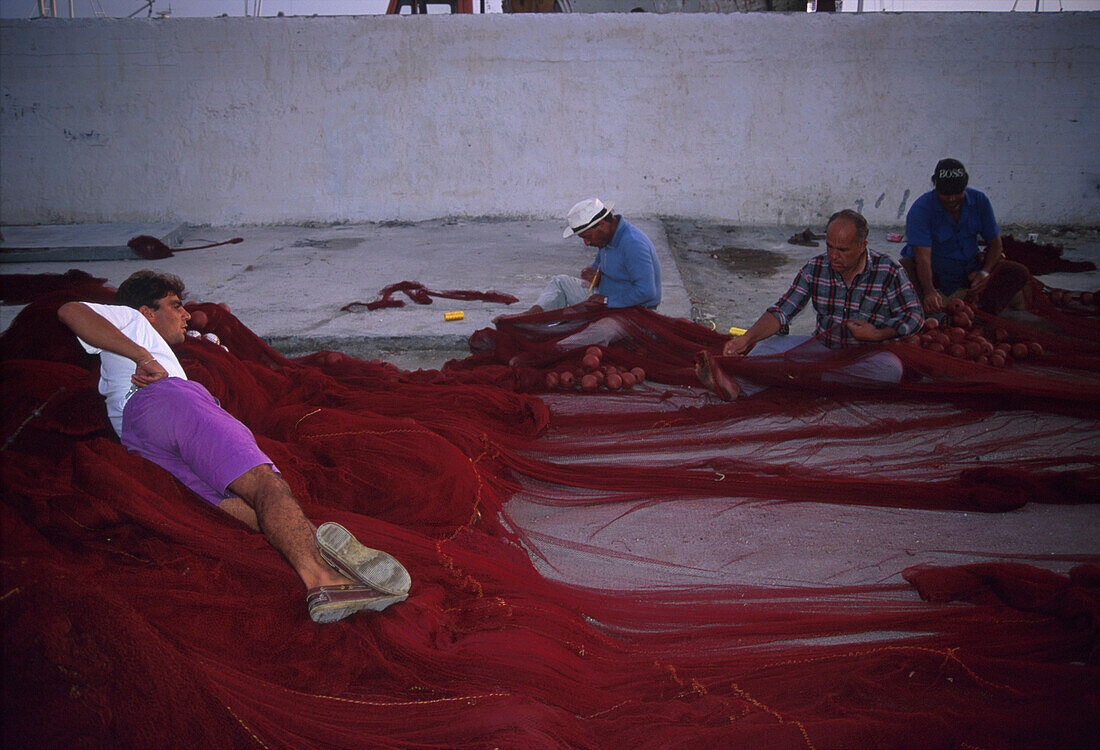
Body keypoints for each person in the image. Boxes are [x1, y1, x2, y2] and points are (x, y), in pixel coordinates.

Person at [57, 270, 412, 624]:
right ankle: (325, 579)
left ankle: (322, 567)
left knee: (244, 514)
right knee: (264, 484)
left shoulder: (133, 351)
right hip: (169, 403)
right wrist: (144, 357)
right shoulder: (133, 320)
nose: (185, 315)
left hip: (139, 442)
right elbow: (71, 311)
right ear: (147, 312)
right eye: (175, 306)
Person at [697, 209, 924, 400]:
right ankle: (737, 389)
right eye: (829, 246)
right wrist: (748, 338)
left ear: (862, 245)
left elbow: (914, 315)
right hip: (823, 348)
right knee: (767, 348)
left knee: (890, 371)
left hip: (867, 354)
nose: (833, 256)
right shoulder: (815, 267)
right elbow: (783, 310)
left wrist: (877, 334)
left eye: (842, 250)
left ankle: (811, 376)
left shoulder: (888, 270)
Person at [900, 158, 1029, 315]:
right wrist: (929, 291)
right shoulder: (921, 209)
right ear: (935, 186)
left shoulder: (979, 201)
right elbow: (923, 259)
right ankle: (930, 311)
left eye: (958, 192)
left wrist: (984, 272)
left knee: (1017, 271)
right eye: (946, 194)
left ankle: (983, 312)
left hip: (967, 272)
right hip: (932, 274)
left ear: (965, 187)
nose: (952, 198)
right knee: (904, 269)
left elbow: (996, 244)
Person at [497, 198, 661, 321]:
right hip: (604, 297)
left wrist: (606, 300)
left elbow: (647, 292)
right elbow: (599, 267)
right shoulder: (605, 239)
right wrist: (594, 274)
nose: (587, 243)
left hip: (632, 308)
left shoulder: (633, 244)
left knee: (592, 335)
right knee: (560, 282)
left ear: (602, 224)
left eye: (588, 237)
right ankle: (530, 317)